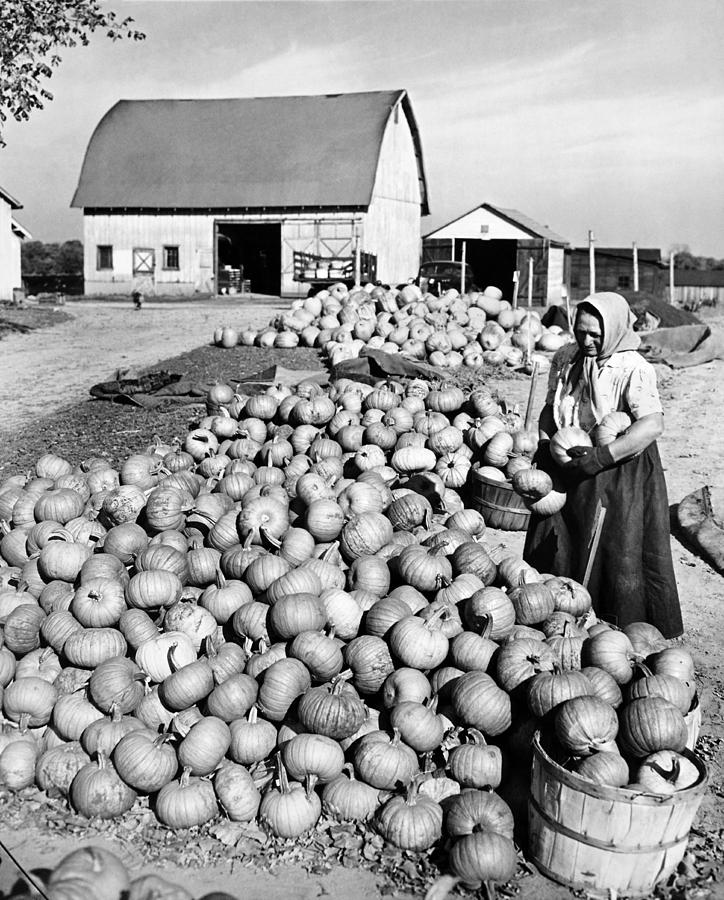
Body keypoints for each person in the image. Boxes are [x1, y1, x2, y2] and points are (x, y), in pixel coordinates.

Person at [523, 291, 683, 638]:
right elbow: (551, 409)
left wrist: (601, 457)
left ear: (615, 329)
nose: (587, 340)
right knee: (562, 542)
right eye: (581, 332)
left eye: (596, 334)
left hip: (617, 467)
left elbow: (652, 425)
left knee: (613, 549)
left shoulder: (632, 368)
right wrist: (544, 443)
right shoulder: (566, 358)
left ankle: (611, 631)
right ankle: (557, 618)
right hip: (567, 459)